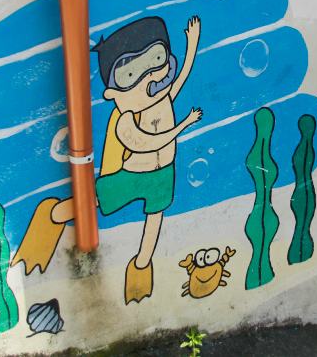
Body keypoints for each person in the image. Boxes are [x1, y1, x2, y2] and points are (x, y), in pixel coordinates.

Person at [11, 15, 203, 304]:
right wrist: (183, 124)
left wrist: (192, 44)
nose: (151, 76)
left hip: (164, 172)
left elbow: (182, 77)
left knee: (155, 218)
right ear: (113, 93)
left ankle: (141, 269)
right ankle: (51, 216)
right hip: (129, 175)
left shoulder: (163, 100)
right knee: (94, 203)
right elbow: (146, 142)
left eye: (157, 59)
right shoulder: (124, 121)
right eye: (132, 74)